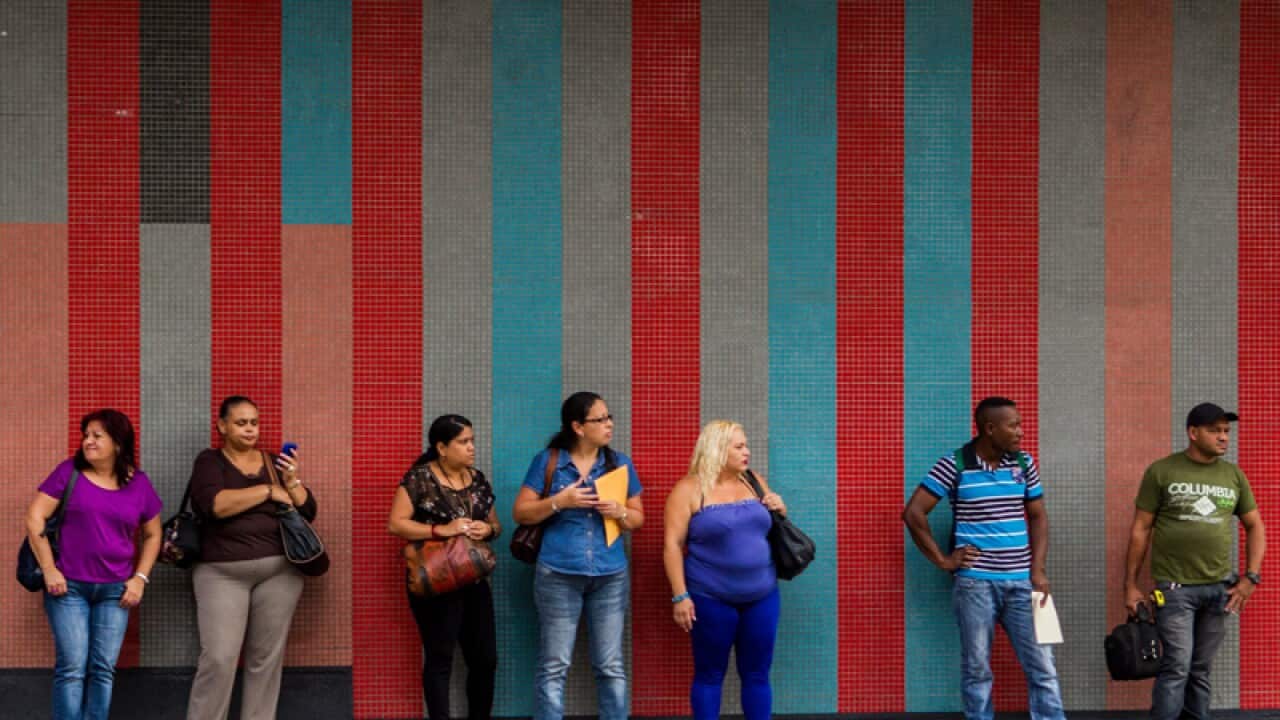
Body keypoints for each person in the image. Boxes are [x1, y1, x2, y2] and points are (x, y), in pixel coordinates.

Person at [901, 396, 1065, 720]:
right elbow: (914, 513)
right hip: (975, 585)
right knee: (976, 668)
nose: (1020, 431)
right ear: (990, 428)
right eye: (1013, 425)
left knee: (1044, 666)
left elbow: (1039, 517)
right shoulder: (955, 464)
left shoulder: (1023, 463)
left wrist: (1039, 570)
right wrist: (944, 560)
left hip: (1025, 584)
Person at [1124, 402, 1266, 720]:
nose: (1224, 438)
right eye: (1215, 431)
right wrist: (1130, 585)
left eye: (1227, 431)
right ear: (1193, 432)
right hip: (1175, 590)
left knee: (1200, 669)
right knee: (1176, 666)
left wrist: (1250, 577)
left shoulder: (1233, 475)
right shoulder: (1162, 471)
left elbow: (1255, 526)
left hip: (1220, 590)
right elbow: (1140, 529)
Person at [512, 391, 644, 720]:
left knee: (610, 665)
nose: (609, 424)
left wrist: (619, 511)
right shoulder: (550, 461)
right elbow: (521, 513)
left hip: (610, 574)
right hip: (558, 573)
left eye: (609, 416)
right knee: (554, 664)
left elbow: (638, 518)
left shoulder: (619, 463)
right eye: (600, 419)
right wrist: (560, 501)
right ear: (578, 426)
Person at [25, 409, 163, 720]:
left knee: (103, 669)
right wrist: (49, 568)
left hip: (116, 590)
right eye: (86, 435)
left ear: (118, 442)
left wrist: (140, 577)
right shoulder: (68, 473)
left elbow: (154, 534)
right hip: (68, 587)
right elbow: (34, 517)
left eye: (97, 436)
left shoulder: (139, 484)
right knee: (73, 666)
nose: (88, 441)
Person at [185, 396, 317, 720]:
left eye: (254, 423)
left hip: (280, 573)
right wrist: (268, 492)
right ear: (222, 426)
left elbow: (308, 510)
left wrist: (292, 482)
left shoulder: (273, 463)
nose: (249, 429)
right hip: (221, 572)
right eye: (241, 423)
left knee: (265, 660)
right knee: (218, 657)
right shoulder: (210, 461)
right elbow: (214, 505)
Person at [663, 420, 786, 720]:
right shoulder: (688, 489)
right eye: (739, 446)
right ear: (717, 449)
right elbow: (671, 546)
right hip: (711, 598)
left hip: (762, 595)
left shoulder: (753, 480)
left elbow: (769, 529)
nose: (748, 451)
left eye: (746, 445)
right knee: (709, 674)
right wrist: (680, 597)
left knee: (757, 674)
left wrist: (779, 509)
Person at [389, 414, 501, 720]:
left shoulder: (476, 478)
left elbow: (496, 524)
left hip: (473, 578)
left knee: (485, 658)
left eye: (472, 441)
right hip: (435, 579)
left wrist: (486, 530)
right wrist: (442, 530)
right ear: (442, 447)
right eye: (463, 442)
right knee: (440, 657)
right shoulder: (419, 478)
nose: (471, 447)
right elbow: (396, 524)